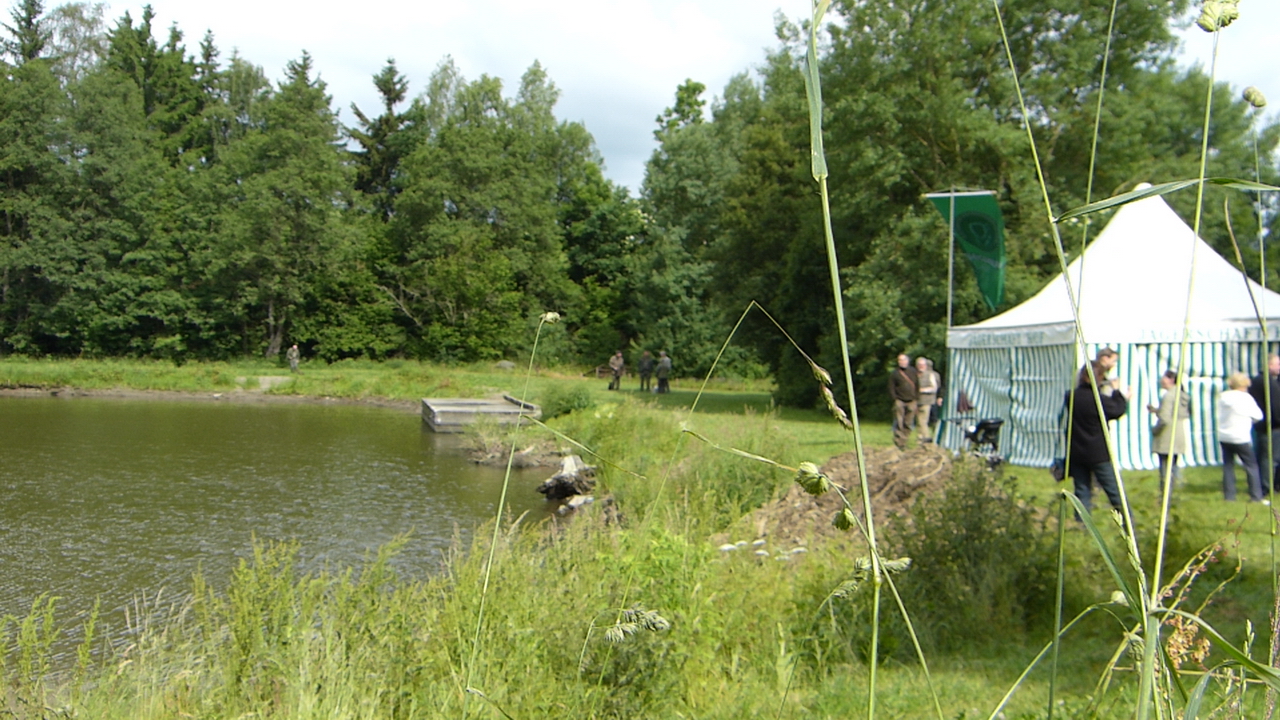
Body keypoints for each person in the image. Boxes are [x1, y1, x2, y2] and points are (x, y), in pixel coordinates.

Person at [1065, 362, 1129, 513]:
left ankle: (1081, 523)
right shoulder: (1099, 400)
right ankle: (1127, 520)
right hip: (1097, 452)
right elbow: (1118, 410)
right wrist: (1117, 392)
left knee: (1082, 490)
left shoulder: (1071, 397)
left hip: (1077, 451)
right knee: (1113, 490)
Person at [1219, 372, 1266, 503]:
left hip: (1224, 435)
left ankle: (1229, 496)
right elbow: (1258, 416)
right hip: (1240, 436)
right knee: (1251, 466)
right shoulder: (1246, 398)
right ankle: (1256, 496)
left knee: (1228, 466)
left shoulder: (1223, 397)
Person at [1147, 370, 1190, 489]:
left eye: (1164, 378)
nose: (1161, 381)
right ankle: (1178, 488)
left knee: (1165, 469)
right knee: (1174, 465)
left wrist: (1155, 430)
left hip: (1167, 435)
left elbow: (1165, 419)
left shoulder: (1168, 396)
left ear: (1171, 380)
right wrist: (1157, 410)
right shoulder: (1181, 393)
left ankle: (1166, 492)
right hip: (1178, 432)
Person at [1250, 355, 1280, 492]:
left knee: (1263, 456)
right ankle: (1268, 486)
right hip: (1272, 426)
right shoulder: (1268, 382)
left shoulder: (1256, 380)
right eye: (1277, 365)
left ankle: (1265, 485)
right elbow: (1275, 406)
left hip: (1261, 425)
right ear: (1269, 365)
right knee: (1271, 458)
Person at [889, 353, 918, 450]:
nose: (902, 362)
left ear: (908, 361)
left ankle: (904, 440)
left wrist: (916, 398)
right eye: (900, 360)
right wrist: (895, 398)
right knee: (899, 421)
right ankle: (898, 441)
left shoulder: (913, 371)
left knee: (908, 422)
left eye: (904, 360)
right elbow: (891, 387)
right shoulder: (895, 373)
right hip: (900, 400)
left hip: (912, 400)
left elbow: (917, 385)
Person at [914, 356, 942, 443]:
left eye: (923, 365)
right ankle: (921, 438)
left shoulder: (931, 375)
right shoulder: (915, 374)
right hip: (916, 401)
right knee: (919, 421)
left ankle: (926, 438)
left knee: (924, 420)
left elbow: (935, 388)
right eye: (919, 365)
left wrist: (923, 390)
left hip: (928, 401)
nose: (921, 366)